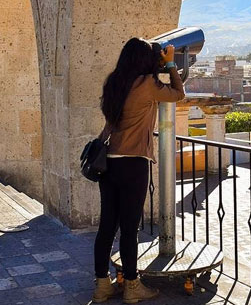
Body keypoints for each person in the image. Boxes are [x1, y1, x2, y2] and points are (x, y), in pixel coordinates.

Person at [92, 37, 185, 304]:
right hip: (133, 162)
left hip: (108, 163)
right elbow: (178, 94)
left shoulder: (114, 82)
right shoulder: (146, 84)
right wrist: (170, 65)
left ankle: (101, 286)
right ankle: (132, 286)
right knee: (130, 228)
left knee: (107, 226)